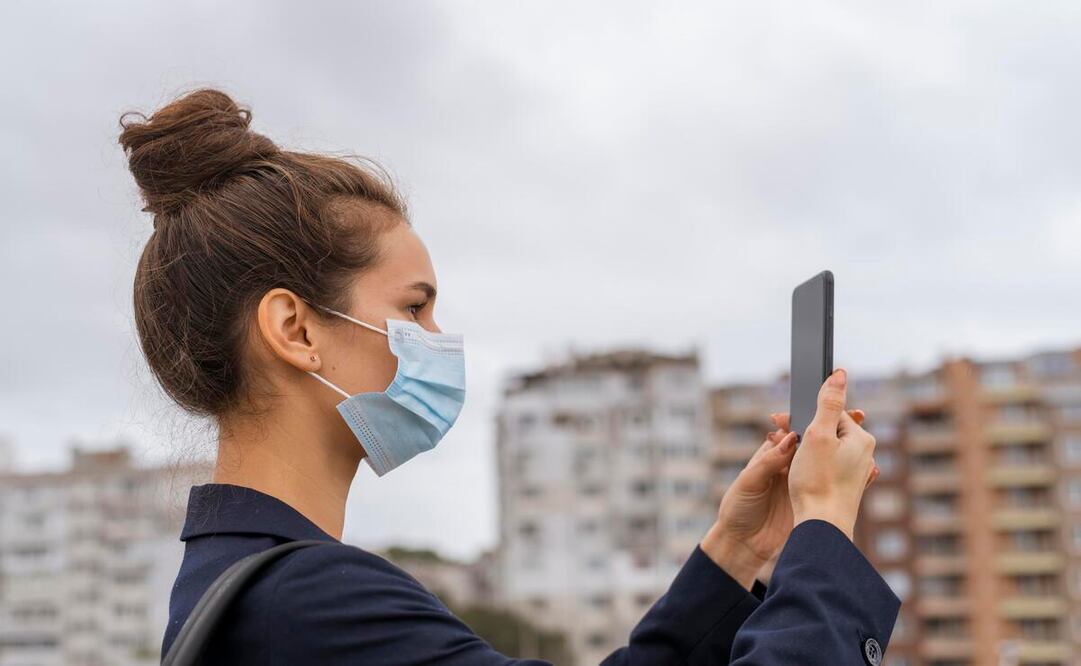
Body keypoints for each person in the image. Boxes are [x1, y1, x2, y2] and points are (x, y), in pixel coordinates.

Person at [118, 88, 900, 665]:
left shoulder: (243, 587)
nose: (437, 340)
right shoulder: (312, 604)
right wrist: (823, 528)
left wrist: (735, 552)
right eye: (415, 308)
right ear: (295, 330)